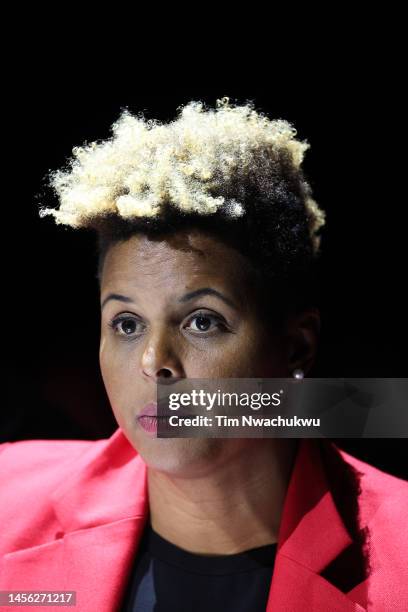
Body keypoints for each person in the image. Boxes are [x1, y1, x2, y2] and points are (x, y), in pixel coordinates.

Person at [0, 97, 407, 611]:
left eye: (202, 322)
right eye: (127, 323)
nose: (154, 362)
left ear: (297, 345)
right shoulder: (7, 498)